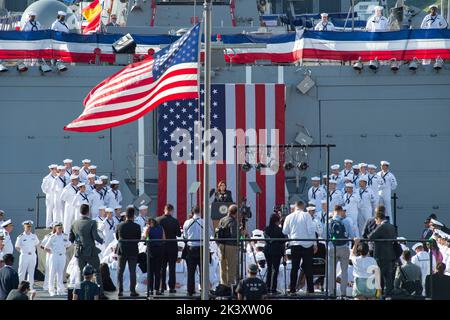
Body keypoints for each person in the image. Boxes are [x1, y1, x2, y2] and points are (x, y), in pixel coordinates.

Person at [69, 204, 107, 299]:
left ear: (80, 211)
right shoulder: (92, 222)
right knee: (97, 272)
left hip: (79, 251)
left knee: (81, 272)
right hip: (90, 251)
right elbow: (95, 236)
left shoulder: (74, 223)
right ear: (88, 211)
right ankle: (100, 294)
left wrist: (79, 241)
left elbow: (71, 238)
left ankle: (79, 294)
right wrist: (102, 240)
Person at [282, 201, 317, 294]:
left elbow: (285, 231)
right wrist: (314, 244)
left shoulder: (289, 217)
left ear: (295, 206)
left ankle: (292, 289)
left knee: (294, 268)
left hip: (295, 244)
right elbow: (311, 230)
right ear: (303, 207)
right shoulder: (306, 215)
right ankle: (310, 289)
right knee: (308, 268)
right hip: (307, 245)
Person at [368, 207, 397, 296]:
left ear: (378, 218)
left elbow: (370, 237)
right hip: (390, 255)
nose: (375, 222)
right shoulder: (391, 226)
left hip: (380, 255)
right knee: (388, 277)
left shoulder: (381, 226)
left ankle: (379, 295)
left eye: (376, 220)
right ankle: (388, 294)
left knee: (378, 277)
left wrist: (376, 228)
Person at [115, 206, 141, 297]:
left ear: (125, 215)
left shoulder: (119, 225)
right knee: (132, 271)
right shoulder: (137, 226)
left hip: (122, 250)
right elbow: (138, 238)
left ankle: (120, 290)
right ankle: (132, 291)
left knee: (120, 271)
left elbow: (117, 238)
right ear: (133, 216)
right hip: (133, 250)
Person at [327, 205, 352, 297]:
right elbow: (351, 234)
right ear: (341, 211)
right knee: (344, 271)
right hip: (344, 247)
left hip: (332, 248)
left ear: (334, 211)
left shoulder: (329, 222)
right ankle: (343, 293)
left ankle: (331, 292)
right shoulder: (346, 222)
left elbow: (324, 235)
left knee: (331, 271)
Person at [156, 203, 181, 293]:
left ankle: (162, 287)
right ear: (172, 211)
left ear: (164, 210)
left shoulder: (158, 220)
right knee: (172, 268)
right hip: (172, 246)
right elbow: (178, 234)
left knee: (162, 267)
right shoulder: (175, 221)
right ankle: (171, 287)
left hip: (161, 246)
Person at [182, 206, 204, 296]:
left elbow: (185, 236)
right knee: (203, 271)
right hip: (201, 247)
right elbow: (209, 234)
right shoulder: (203, 222)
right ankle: (203, 289)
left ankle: (190, 290)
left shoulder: (187, 222)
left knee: (190, 271)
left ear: (192, 212)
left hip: (190, 248)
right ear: (200, 212)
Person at [45, 221, 71, 296]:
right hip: (54, 256)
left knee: (60, 273)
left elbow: (69, 245)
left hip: (62, 256)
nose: (59, 229)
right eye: (58, 228)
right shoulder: (52, 237)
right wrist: (52, 252)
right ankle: (51, 290)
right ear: (55, 228)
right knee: (52, 273)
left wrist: (65, 251)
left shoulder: (65, 236)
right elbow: (46, 247)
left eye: (61, 228)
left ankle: (60, 289)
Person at [217, 204, 239, 288]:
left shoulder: (222, 219)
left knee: (222, 267)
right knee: (231, 267)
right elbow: (234, 235)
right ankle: (230, 286)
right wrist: (240, 231)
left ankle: (223, 285)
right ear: (236, 213)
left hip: (221, 245)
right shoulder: (233, 222)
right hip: (231, 246)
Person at [263, 213, 285, 294]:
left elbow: (265, 238)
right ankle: (273, 288)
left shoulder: (266, 228)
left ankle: (267, 287)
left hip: (268, 250)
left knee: (269, 268)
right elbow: (284, 239)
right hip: (276, 251)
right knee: (275, 270)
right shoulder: (279, 230)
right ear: (276, 221)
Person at [15, 220, 39, 289]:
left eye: (30, 226)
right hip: (24, 255)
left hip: (32, 256)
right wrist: (22, 252)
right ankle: (20, 288)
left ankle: (30, 287)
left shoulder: (34, 236)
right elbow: (17, 246)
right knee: (22, 272)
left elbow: (37, 244)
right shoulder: (21, 236)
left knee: (31, 272)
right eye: (27, 226)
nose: (29, 228)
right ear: (24, 227)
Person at [144, 218, 165, 295]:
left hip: (151, 251)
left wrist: (147, 235)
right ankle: (157, 290)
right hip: (159, 250)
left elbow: (147, 239)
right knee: (158, 271)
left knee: (150, 271)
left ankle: (150, 290)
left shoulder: (148, 229)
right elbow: (164, 239)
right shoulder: (161, 228)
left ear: (149, 223)